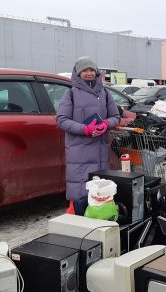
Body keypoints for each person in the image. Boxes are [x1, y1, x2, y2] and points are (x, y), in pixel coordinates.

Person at [57, 57, 120, 214]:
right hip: (79, 152)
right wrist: (84, 129)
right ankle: (74, 224)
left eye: (92, 70)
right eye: (84, 70)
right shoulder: (70, 94)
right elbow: (61, 120)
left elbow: (116, 116)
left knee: (99, 193)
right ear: (78, 73)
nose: (89, 73)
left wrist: (106, 124)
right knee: (80, 193)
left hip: (100, 150)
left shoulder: (105, 93)